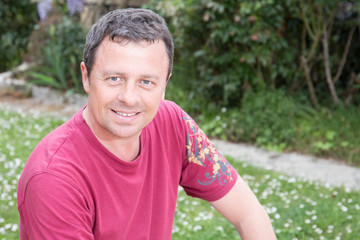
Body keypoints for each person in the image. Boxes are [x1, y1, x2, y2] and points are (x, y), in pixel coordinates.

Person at [17, 8, 276, 239]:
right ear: (86, 77)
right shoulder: (53, 178)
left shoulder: (174, 124)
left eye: (146, 82)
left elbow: (249, 213)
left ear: (165, 85)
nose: (129, 98)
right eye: (114, 78)